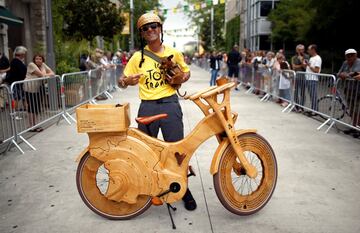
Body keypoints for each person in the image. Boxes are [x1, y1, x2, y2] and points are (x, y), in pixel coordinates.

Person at [118, 13, 196, 211]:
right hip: (148, 106)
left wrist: (181, 78)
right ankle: (150, 188)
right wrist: (127, 81)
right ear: (142, 34)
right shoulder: (137, 57)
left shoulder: (173, 52)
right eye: (146, 28)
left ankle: (184, 189)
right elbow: (121, 81)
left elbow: (186, 72)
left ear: (160, 28)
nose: (150, 30)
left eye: (153, 26)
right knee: (146, 153)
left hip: (170, 104)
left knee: (177, 150)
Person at [24, 54, 55, 132]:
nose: (38, 60)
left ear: (42, 60)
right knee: (31, 107)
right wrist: (44, 72)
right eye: (36, 59)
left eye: (40, 59)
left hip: (38, 89)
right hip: (29, 88)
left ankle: (36, 124)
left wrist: (45, 73)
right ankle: (31, 126)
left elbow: (53, 73)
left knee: (37, 107)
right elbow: (42, 75)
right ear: (34, 60)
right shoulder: (31, 65)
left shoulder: (43, 65)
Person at [337, 48, 360, 138]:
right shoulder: (345, 63)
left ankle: (358, 128)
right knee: (351, 109)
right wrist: (346, 74)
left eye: (352, 55)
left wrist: (347, 74)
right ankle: (354, 126)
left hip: (358, 90)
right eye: (348, 55)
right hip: (348, 89)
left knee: (357, 110)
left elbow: (357, 74)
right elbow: (339, 73)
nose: (350, 57)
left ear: (356, 55)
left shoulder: (359, 62)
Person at [3, 46, 28, 110]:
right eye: (24, 54)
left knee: (21, 97)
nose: (24, 55)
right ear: (21, 54)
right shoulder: (16, 62)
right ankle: (14, 111)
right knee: (16, 98)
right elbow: (20, 72)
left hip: (18, 82)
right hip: (15, 83)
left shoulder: (16, 61)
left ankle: (24, 108)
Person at [304, 44, 322, 116]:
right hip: (308, 78)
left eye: (309, 49)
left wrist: (308, 65)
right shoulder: (311, 58)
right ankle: (313, 109)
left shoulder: (318, 58)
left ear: (313, 50)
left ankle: (315, 110)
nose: (308, 51)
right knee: (311, 95)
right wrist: (306, 65)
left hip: (313, 79)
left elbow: (317, 70)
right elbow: (309, 68)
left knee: (313, 95)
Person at [291, 44, 309, 112]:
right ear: (296, 50)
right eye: (298, 50)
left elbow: (305, 67)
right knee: (295, 91)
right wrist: (301, 65)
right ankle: (296, 105)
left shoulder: (306, 56)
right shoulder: (294, 57)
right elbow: (293, 67)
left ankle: (301, 106)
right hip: (296, 76)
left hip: (303, 76)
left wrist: (301, 61)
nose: (300, 51)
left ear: (303, 50)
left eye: (301, 49)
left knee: (302, 92)